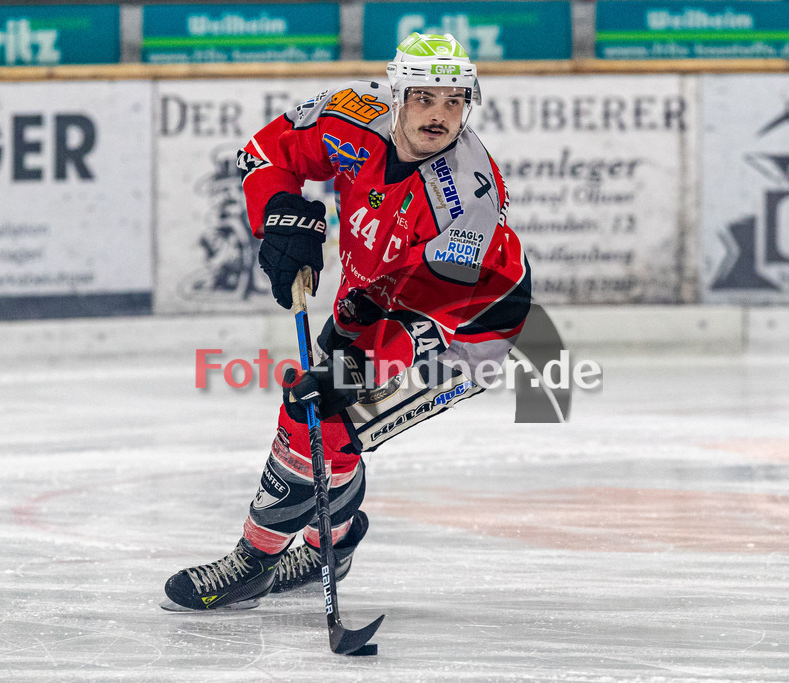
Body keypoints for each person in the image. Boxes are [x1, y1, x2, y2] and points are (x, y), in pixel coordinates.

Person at [163, 32, 531, 611]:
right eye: (425, 99)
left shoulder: (466, 197)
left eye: (454, 102)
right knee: (318, 420)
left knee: (320, 414)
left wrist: (358, 371)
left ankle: (256, 560)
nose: (439, 116)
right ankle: (330, 542)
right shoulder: (350, 116)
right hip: (370, 297)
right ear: (398, 93)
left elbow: (432, 310)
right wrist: (280, 220)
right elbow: (266, 152)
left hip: (465, 330)